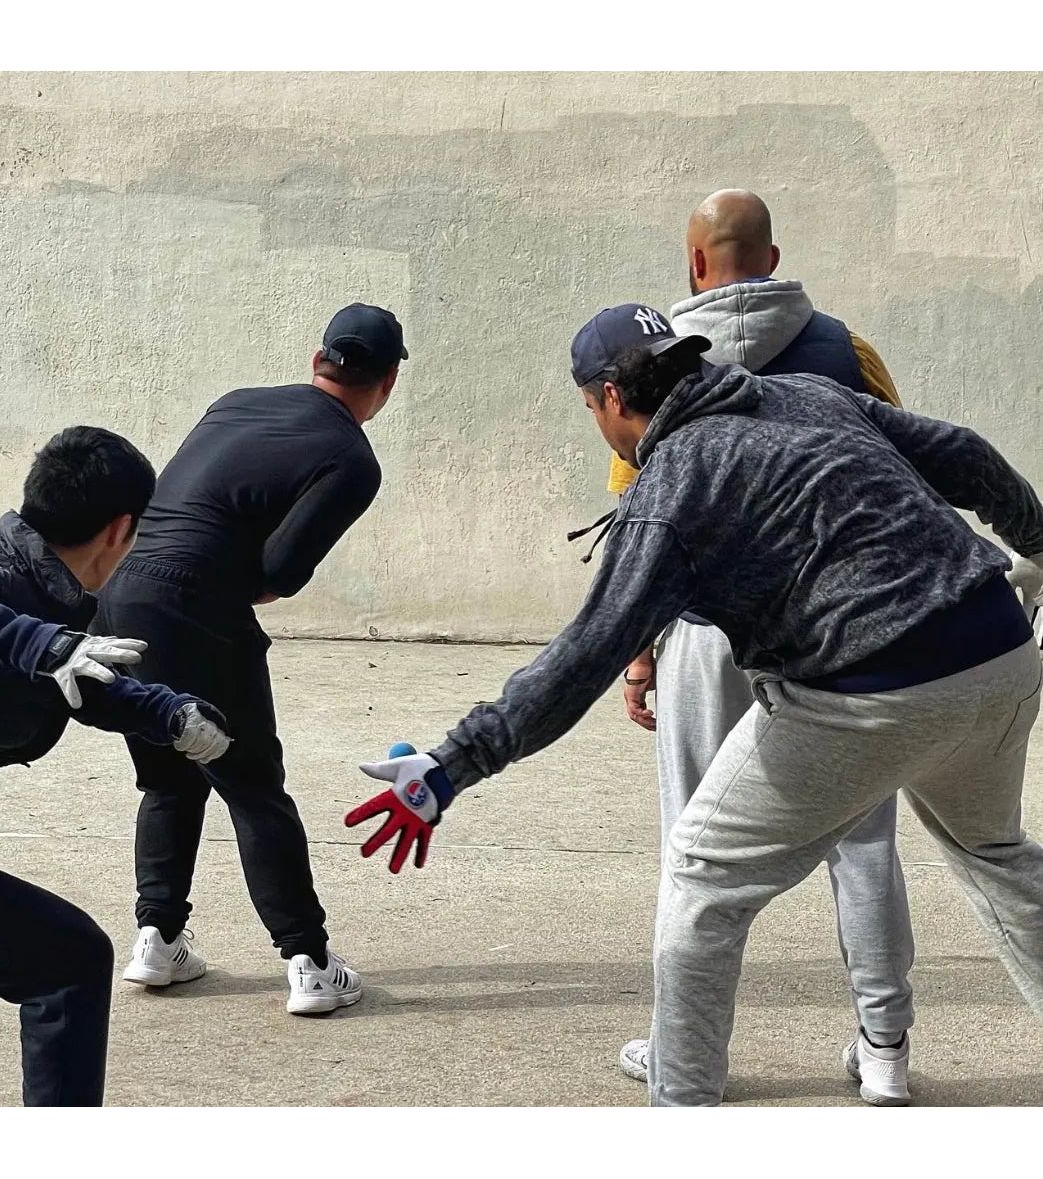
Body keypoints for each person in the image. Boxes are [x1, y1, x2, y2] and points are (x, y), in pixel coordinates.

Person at [345, 303, 1043, 1106]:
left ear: (611, 397)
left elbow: (581, 658)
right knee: (994, 852)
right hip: (997, 653)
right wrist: (1035, 542)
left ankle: (682, 1104)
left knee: (702, 878)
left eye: (590, 409)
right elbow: (964, 454)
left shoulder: (671, 486)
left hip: (869, 691)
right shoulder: (810, 394)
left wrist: (450, 765)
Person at [605, 190, 915, 1103]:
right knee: (862, 838)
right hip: (838, 635)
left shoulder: (652, 365)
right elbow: (896, 471)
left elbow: (635, 516)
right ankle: (884, 1048)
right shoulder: (847, 352)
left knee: (694, 850)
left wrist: (637, 653)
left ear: (694, 263)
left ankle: (682, 1052)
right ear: (771, 259)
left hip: (707, 634)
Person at [0, 426, 231, 1106]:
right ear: (120, 530)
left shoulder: (44, 593)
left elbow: (71, 681)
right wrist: (42, 644)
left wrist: (168, 714)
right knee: (69, 961)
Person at [96, 303, 406, 1015]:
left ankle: (157, 941)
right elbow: (281, 571)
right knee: (252, 784)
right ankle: (310, 963)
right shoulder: (352, 459)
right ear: (388, 383)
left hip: (115, 593)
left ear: (317, 360)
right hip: (192, 606)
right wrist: (218, 590)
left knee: (171, 776)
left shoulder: (234, 402)